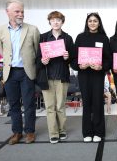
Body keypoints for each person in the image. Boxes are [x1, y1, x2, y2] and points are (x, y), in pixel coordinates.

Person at [0, 0, 40, 145]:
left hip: (27, 72)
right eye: (17, 11)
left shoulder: (32, 29)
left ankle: (30, 132)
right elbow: (2, 50)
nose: (21, 14)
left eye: (22, 12)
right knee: (13, 105)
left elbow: (37, 51)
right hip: (10, 73)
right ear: (7, 12)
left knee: (29, 104)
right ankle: (17, 132)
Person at [71, 13, 112, 143]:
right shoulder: (80, 37)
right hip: (84, 75)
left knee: (98, 102)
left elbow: (108, 60)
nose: (93, 23)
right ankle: (87, 132)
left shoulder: (104, 38)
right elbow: (73, 59)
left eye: (95, 21)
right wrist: (79, 65)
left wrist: (102, 67)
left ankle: (99, 132)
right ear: (87, 23)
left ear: (99, 23)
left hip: (98, 75)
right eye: (90, 21)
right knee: (87, 103)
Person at [36, 11, 74, 144]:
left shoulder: (68, 38)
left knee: (60, 106)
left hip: (62, 77)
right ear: (50, 22)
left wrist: (67, 58)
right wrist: (42, 61)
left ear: (62, 22)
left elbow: (73, 59)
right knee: (50, 107)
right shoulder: (43, 37)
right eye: (53, 20)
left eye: (58, 20)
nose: (56, 22)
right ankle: (53, 133)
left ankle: (62, 130)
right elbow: (37, 59)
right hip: (47, 77)